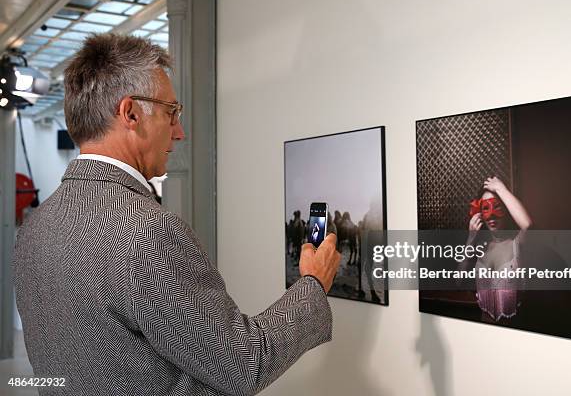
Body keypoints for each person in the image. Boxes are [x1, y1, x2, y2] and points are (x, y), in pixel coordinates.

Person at [13, 33, 341, 395]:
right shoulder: (146, 231)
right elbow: (246, 363)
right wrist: (312, 284)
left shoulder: (36, 227)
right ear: (131, 113)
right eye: (172, 113)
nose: (180, 132)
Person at [463, 176, 532, 322]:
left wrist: (501, 188)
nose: (492, 214)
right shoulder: (479, 247)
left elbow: (528, 227)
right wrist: (470, 239)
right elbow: (459, 281)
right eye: (486, 208)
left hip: (514, 336)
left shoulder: (517, 243)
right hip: (483, 334)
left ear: (507, 209)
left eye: (498, 206)